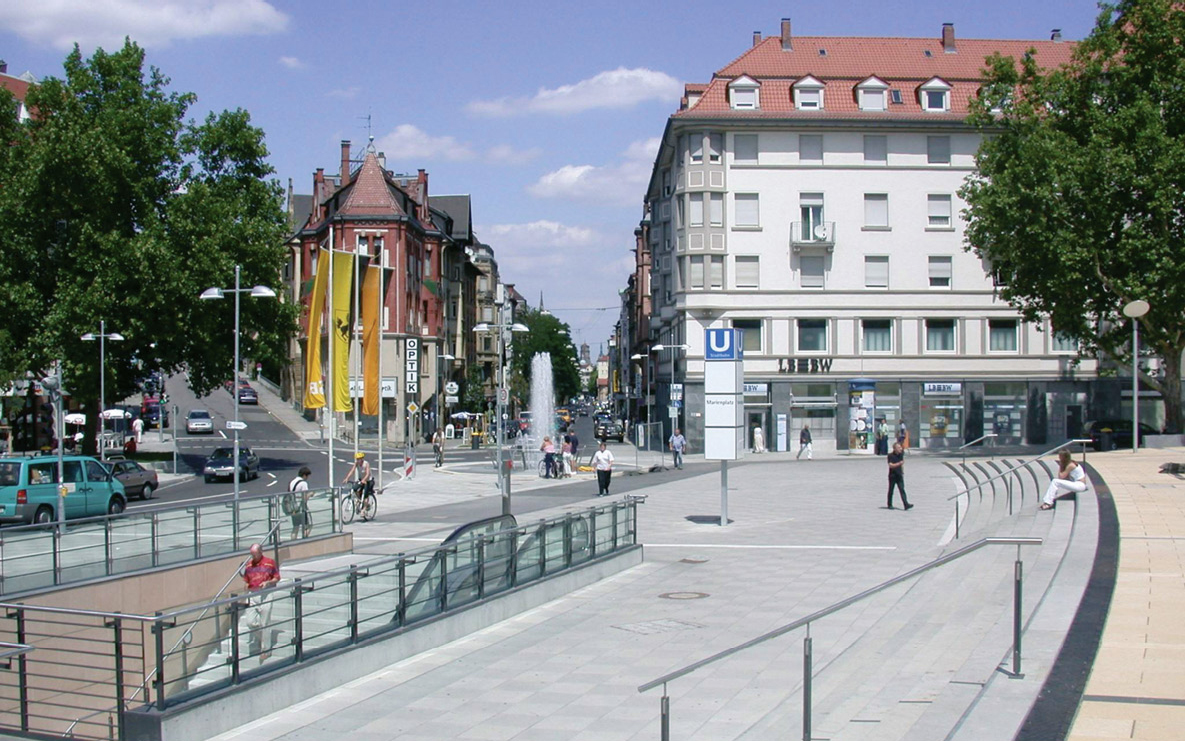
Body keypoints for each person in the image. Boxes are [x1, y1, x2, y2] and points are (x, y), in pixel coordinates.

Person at [241, 543, 280, 659]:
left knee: (265, 622)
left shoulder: (269, 562)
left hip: (265, 594)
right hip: (253, 594)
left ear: (260, 552)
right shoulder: (249, 565)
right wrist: (246, 587)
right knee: (250, 622)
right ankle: (262, 637)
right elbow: (246, 580)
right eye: (251, 554)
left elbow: (277, 577)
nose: (252, 557)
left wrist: (268, 583)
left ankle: (266, 650)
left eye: (254, 554)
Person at [288, 466, 312, 539]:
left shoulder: (292, 481)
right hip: (301, 508)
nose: (307, 478)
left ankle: (293, 542)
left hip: (293, 507)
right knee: (309, 525)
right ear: (304, 475)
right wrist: (311, 494)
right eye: (307, 476)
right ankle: (304, 539)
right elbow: (305, 497)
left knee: (296, 527)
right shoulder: (303, 483)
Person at [886, 442, 912, 510]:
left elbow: (902, 464)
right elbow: (890, 465)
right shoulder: (890, 456)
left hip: (899, 475)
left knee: (902, 489)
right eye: (898, 448)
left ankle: (906, 504)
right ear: (894, 449)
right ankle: (889, 504)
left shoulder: (901, 454)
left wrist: (902, 471)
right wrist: (899, 464)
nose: (900, 449)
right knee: (891, 490)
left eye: (900, 447)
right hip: (892, 475)